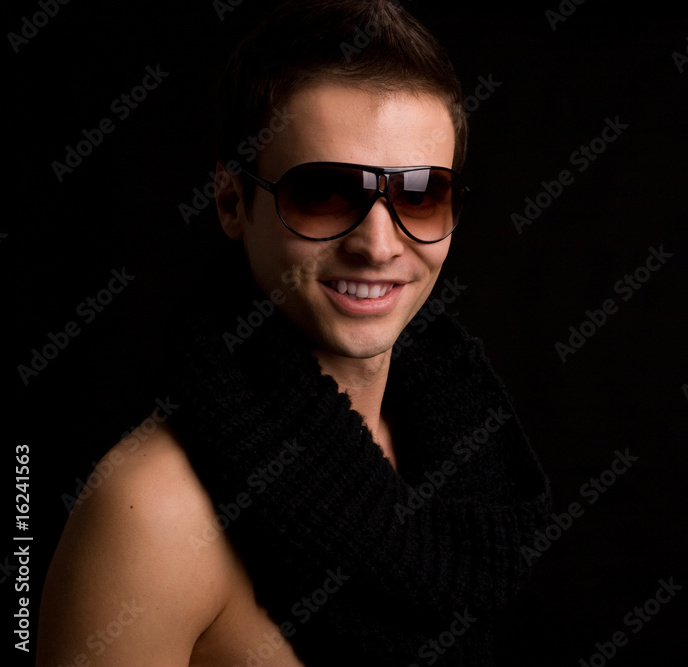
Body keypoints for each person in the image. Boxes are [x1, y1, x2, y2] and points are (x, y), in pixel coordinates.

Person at [36, 1, 551, 664]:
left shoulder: (469, 468)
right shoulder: (152, 514)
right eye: (325, 193)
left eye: (420, 193)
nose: (378, 244)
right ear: (230, 203)